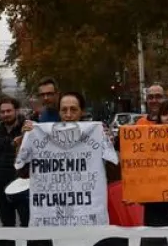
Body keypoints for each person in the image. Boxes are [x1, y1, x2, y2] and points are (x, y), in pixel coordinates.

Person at [15, 92, 120, 227]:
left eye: (73, 109)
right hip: (54, 225)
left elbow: (115, 175)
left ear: (82, 112)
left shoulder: (97, 134)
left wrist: (109, 143)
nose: (68, 114)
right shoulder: (41, 134)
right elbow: (22, 172)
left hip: (86, 223)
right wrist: (24, 142)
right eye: (64, 110)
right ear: (59, 112)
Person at [0, 97, 29, 227]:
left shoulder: (27, 131)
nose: (5, 114)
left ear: (16, 111)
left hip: (23, 188)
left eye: (9, 111)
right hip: (1, 188)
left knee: (26, 224)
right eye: (2, 112)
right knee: (7, 226)